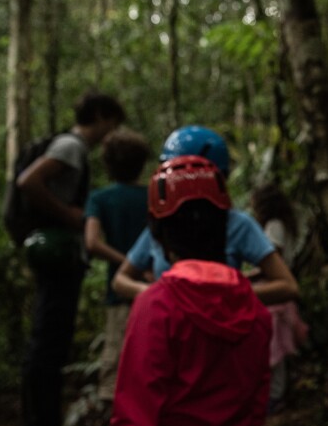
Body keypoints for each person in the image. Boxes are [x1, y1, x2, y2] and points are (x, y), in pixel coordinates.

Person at [96, 155, 271, 426]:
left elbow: (134, 418)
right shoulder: (257, 314)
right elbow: (254, 413)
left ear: (157, 235)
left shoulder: (157, 305)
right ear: (224, 226)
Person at [17, 91, 125, 426]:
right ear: (99, 115)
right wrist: (70, 216)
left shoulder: (70, 147)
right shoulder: (71, 146)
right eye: (112, 122)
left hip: (58, 254)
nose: (112, 132)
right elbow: (29, 182)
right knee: (48, 344)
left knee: (47, 342)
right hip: (57, 255)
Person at [111, 125, 298, 306]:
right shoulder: (164, 222)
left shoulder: (236, 224)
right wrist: (157, 295)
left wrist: (224, 298)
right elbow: (121, 279)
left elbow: (287, 286)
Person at [84, 128, 150, 408]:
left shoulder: (100, 198)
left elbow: (92, 242)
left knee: (116, 368)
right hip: (156, 286)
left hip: (121, 292)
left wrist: (125, 264)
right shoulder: (155, 195)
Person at [250, 182, 308, 412]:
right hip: (281, 290)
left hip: (275, 292)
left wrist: (247, 277)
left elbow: (273, 263)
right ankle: (275, 393)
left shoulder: (274, 226)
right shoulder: (284, 225)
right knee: (277, 345)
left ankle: (275, 396)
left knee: (274, 347)